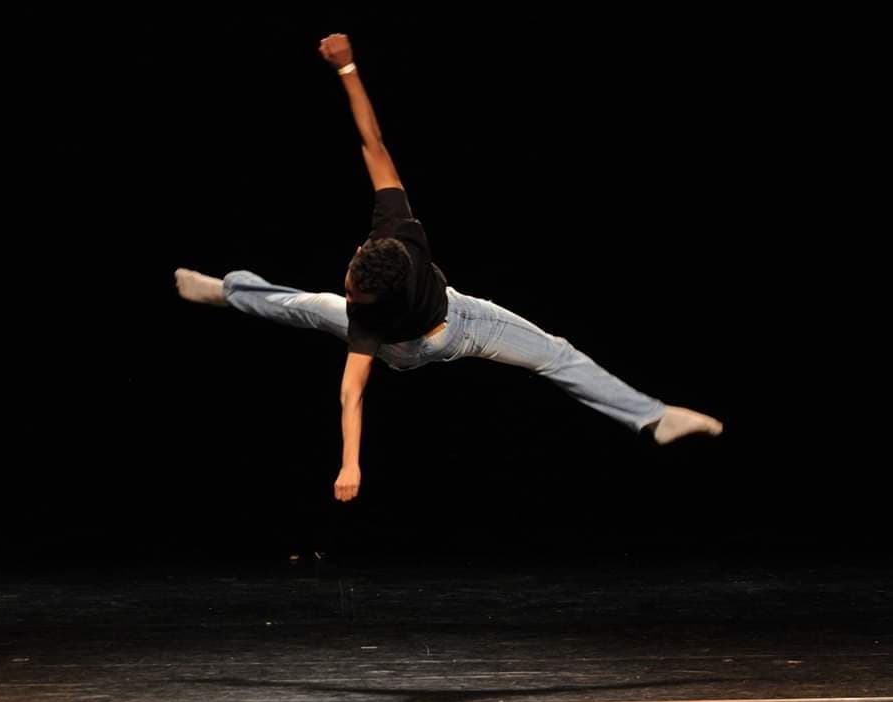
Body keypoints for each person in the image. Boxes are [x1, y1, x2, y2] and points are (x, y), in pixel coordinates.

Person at [174, 33, 722, 503]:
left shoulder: (369, 316)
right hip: (441, 323)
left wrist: (349, 464)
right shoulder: (397, 229)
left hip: (448, 333)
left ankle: (654, 417)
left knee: (302, 306)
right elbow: (372, 142)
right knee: (553, 354)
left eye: (355, 294)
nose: (350, 291)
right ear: (366, 252)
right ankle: (224, 290)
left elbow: (352, 392)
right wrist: (347, 67)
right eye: (352, 283)